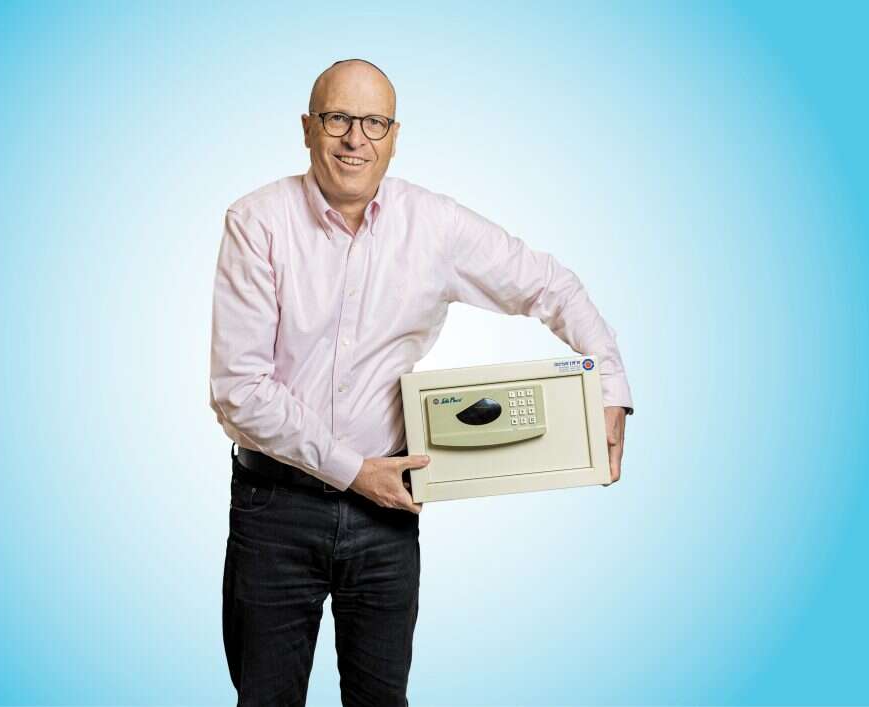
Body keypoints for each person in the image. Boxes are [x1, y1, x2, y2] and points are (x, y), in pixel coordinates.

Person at [209, 57, 634, 707]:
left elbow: (552, 286)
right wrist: (354, 471)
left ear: (394, 135)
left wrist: (610, 388)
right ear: (307, 127)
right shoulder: (257, 221)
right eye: (338, 119)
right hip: (276, 508)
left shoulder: (435, 225)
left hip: (386, 514)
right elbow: (240, 389)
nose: (356, 138)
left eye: (374, 123)